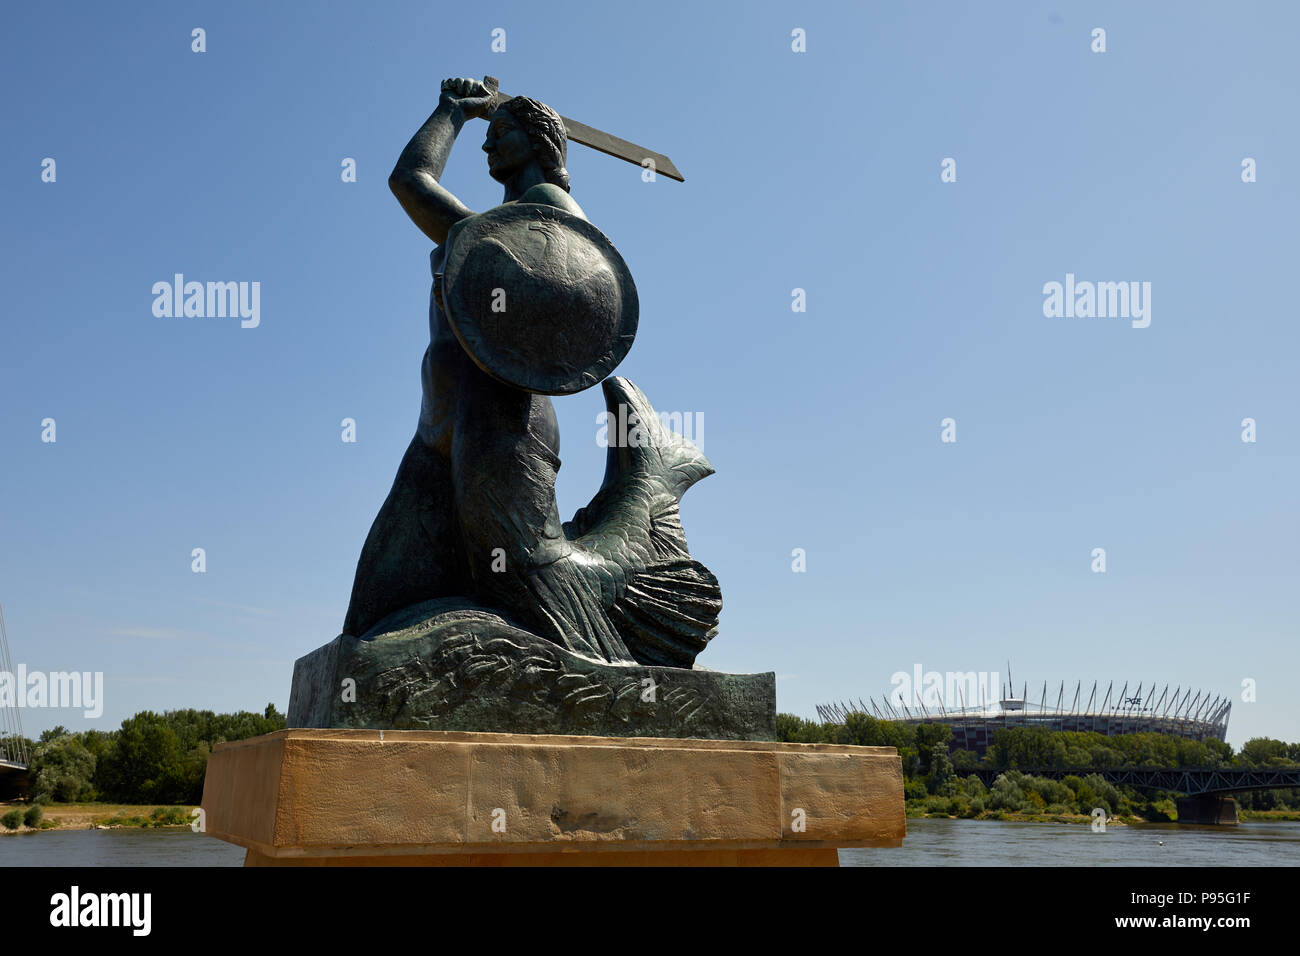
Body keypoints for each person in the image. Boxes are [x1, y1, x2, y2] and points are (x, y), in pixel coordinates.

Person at [343, 77, 640, 663]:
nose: (486, 147)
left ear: (540, 142)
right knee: (376, 609)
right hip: (444, 421)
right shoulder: (501, 223)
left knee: (531, 587)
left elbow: (411, 183)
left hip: (502, 421)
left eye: (500, 133)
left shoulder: (550, 215)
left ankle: (618, 677)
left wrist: (452, 112)